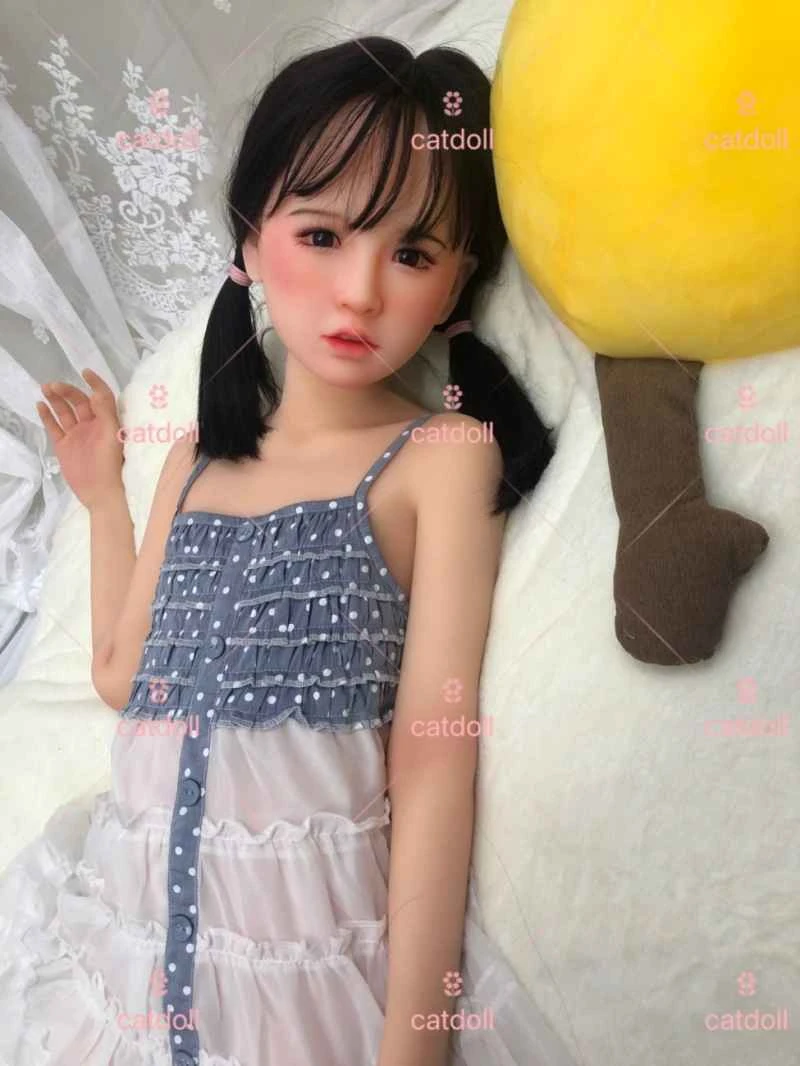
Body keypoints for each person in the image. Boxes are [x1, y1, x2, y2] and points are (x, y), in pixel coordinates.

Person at [5, 35, 576, 1066]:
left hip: (306, 991)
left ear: (458, 282)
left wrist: (415, 1041)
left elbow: (433, 754)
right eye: (321, 235)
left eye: (411, 254)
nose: (359, 291)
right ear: (252, 235)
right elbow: (124, 676)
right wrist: (100, 499)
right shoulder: (194, 457)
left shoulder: (441, 459)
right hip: (115, 960)